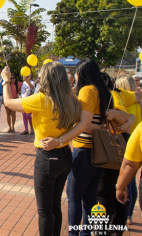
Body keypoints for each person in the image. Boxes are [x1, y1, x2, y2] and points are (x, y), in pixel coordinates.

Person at [41, 59, 128, 236]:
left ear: (82, 74)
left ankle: (74, 233)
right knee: (89, 197)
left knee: (74, 197)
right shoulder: (102, 90)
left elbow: (85, 123)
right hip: (100, 153)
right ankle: (85, 233)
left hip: (85, 150)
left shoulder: (87, 91)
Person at [2, 62, 81, 236]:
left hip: (47, 157)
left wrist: (5, 81)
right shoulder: (72, 100)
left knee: (45, 210)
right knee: (55, 206)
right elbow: (80, 125)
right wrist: (61, 140)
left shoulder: (42, 99)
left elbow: (8, 102)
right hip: (65, 154)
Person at [115, 76, 141, 225]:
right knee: (131, 182)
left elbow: (130, 119)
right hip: (132, 144)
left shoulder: (131, 104)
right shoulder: (137, 101)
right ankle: (129, 214)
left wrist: (123, 126)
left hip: (129, 144)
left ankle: (126, 215)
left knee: (127, 181)